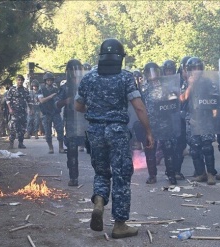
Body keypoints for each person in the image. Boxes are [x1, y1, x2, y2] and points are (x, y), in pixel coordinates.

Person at [75, 38, 154, 238]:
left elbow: (78, 106)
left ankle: (99, 201)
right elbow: (138, 106)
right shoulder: (126, 78)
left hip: (94, 132)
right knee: (121, 175)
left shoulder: (89, 78)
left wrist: (95, 109)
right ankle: (119, 225)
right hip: (117, 132)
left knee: (101, 173)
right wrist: (148, 132)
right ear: (120, 57)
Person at [180, 57, 220, 185]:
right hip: (191, 119)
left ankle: (210, 174)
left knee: (207, 147)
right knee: (194, 148)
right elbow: (182, 98)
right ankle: (200, 173)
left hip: (205, 118)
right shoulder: (185, 83)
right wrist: (191, 84)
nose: (195, 71)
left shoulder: (208, 82)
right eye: (193, 69)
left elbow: (215, 100)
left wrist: (214, 116)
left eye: (198, 68)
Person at [139, 62, 179, 185]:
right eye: (150, 72)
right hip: (150, 123)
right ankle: (152, 175)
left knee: (168, 150)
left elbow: (174, 101)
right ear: (146, 74)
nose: (153, 74)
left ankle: (171, 175)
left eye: (155, 71)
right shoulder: (143, 88)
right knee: (150, 150)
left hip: (165, 121)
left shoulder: (166, 86)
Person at [56, 59, 87, 186]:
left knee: (97, 152)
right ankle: (73, 177)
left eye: (78, 70)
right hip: (71, 124)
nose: (75, 73)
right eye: (73, 70)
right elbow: (56, 104)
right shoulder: (65, 87)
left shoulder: (87, 84)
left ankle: (102, 176)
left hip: (88, 123)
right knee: (72, 153)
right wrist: (65, 101)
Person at [173, 56, 191, 180]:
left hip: (194, 117)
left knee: (197, 146)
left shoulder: (199, 80)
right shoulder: (176, 81)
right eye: (186, 69)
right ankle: (176, 171)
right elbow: (180, 98)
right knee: (179, 145)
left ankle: (201, 172)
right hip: (178, 117)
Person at [38, 72, 65, 154]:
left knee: (60, 130)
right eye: (48, 80)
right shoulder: (41, 90)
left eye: (51, 80)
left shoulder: (57, 90)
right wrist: (51, 96)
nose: (49, 82)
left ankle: (61, 147)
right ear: (45, 81)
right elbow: (42, 100)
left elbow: (60, 100)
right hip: (46, 113)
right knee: (48, 132)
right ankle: (51, 147)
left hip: (55, 112)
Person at [6, 75, 32, 149]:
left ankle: (21, 143)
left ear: (23, 81)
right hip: (14, 112)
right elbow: (8, 100)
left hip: (23, 112)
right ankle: (11, 143)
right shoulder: (12, 89)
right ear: (16, 81)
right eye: (18, 80)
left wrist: (31, 109)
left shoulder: (25, 90)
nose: (20, 81)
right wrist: (10, 109)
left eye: (21, 80)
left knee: (22, 128)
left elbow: (29, 100)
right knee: (13, 127)